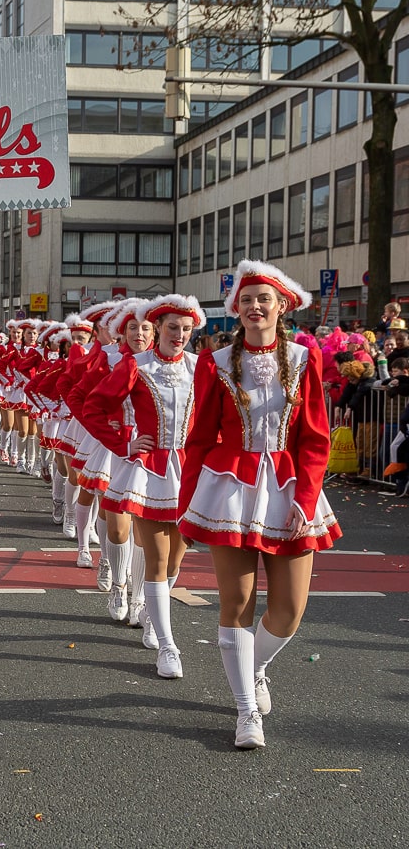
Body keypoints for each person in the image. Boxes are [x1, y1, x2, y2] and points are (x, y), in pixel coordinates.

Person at [178, 260, 341, 750]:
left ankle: (255, 666)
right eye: (245, 300)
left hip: (290, 487)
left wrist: (307, 498)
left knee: (290, 611)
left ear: (281, 306)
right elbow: (200, 438)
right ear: (236, 309)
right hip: (231, 489)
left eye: (262, 299)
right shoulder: (215, 362)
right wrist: (188, 506)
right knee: (238, 603)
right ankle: (245, 708)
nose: (254, 307)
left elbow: (315, 438)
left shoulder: (305, 359)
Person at [84, 295, 204, 676]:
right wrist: (124, 443)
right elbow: (93, 407)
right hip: (149, 470)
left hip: (187, 471)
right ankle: (167, 644)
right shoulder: (136, 365)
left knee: (176, 559)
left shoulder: (202, 368)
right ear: (159, 328)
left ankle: (154, 617)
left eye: (186, 330)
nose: (180, 336)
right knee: (155, 555)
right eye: (173, 328)